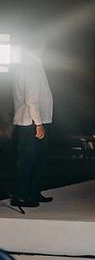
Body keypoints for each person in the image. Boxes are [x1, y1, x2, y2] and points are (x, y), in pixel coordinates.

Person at [11, 37, 53, 208]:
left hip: (30, 121)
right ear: (39, 45)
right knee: (29, 160)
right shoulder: (32, 66)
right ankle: (22, 196)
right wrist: (39, 124)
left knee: (36, 159)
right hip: (31, 123)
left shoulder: (27, 65)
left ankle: (33, 192)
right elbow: (32, 100)